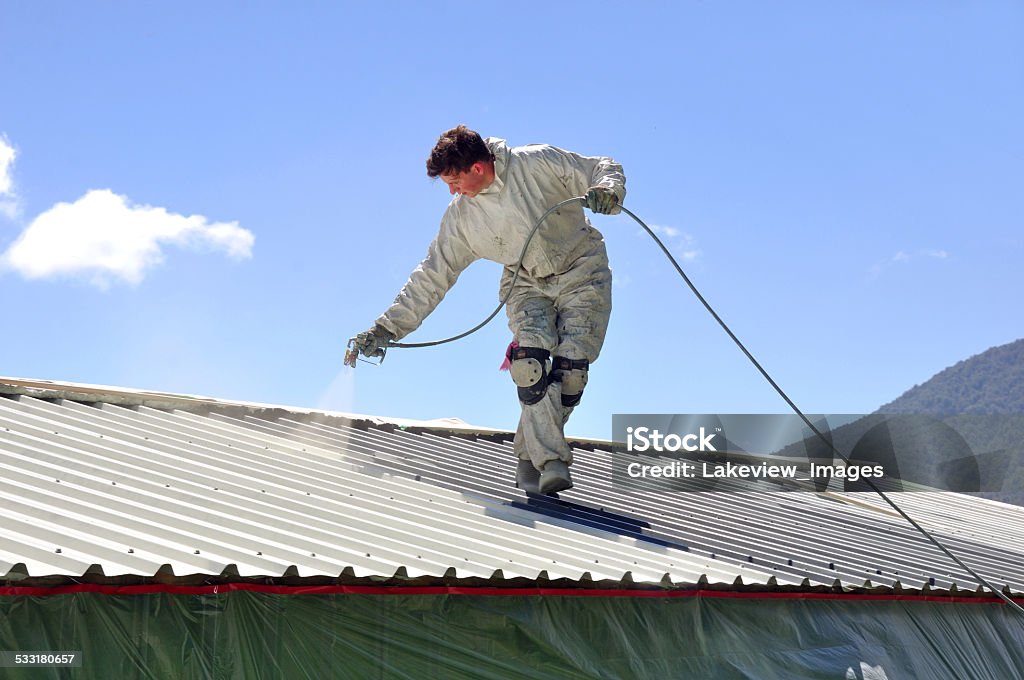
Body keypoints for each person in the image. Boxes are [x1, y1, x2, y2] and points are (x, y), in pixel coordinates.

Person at [353, 125, 625, 495]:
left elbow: (600, 165)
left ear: (477, 168)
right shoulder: (461, 218)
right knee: (528, 365)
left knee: (571, 372)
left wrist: (608, 189)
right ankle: (552, 461)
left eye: (454, 181)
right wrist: (387, 328)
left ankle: (528, 457)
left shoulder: (537, 162)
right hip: (525, 281)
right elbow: (432, 274)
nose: (452, 191)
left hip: (583, 270)